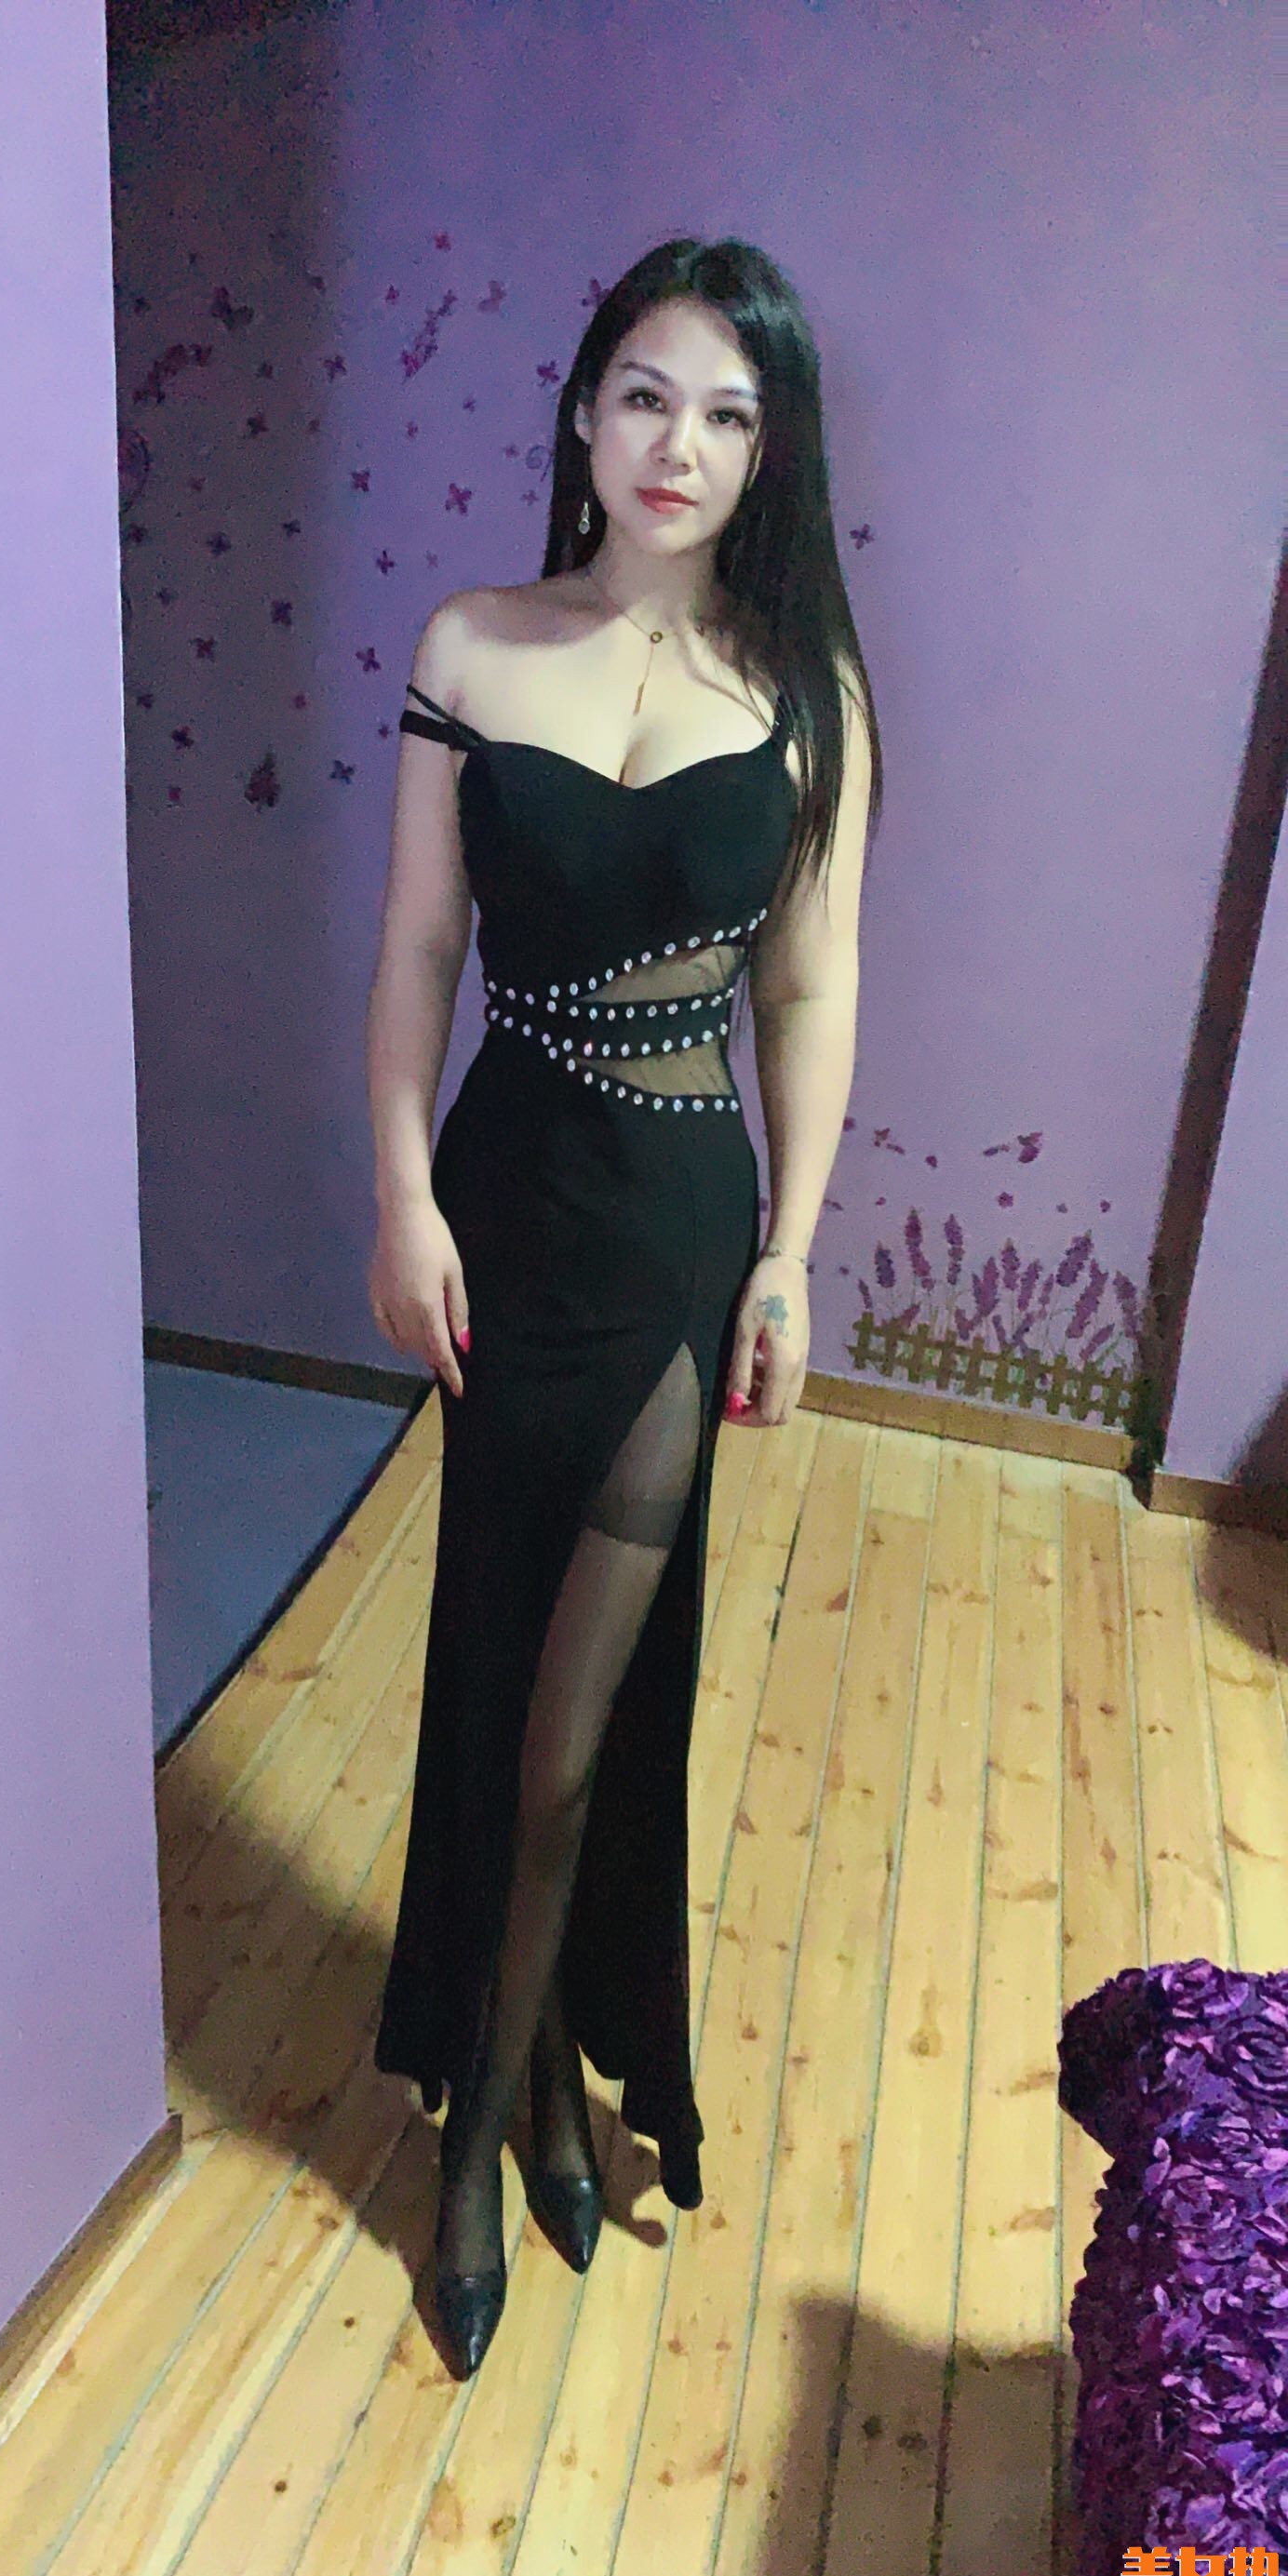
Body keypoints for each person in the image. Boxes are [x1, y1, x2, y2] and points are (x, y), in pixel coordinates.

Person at [365, 237, 879, 2379]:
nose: (680, 443)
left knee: (580, 1716)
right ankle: (518, 2101)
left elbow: (809, 991)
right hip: (504, 1202)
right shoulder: (470, 646)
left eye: (728, 414)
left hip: (676, 1226)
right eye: (648, 394)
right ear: (582, 413)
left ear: (769, 456)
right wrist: (399, 1194)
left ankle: (496, 2116)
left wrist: (787, 1253)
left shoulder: (807, 692)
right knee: (494, 1656)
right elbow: (418, 951)